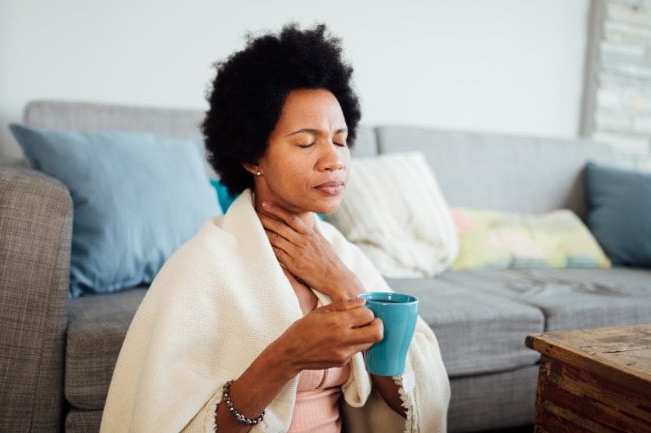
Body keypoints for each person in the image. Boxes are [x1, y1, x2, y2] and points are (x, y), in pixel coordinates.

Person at [100, 23, 450, 433]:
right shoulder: (203, 266)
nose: (333, 160)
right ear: (252, 157)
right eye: (306, 142)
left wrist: (342, 284)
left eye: (340, 140)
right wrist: (286, 357)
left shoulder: (343, 256)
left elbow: (409, 405)